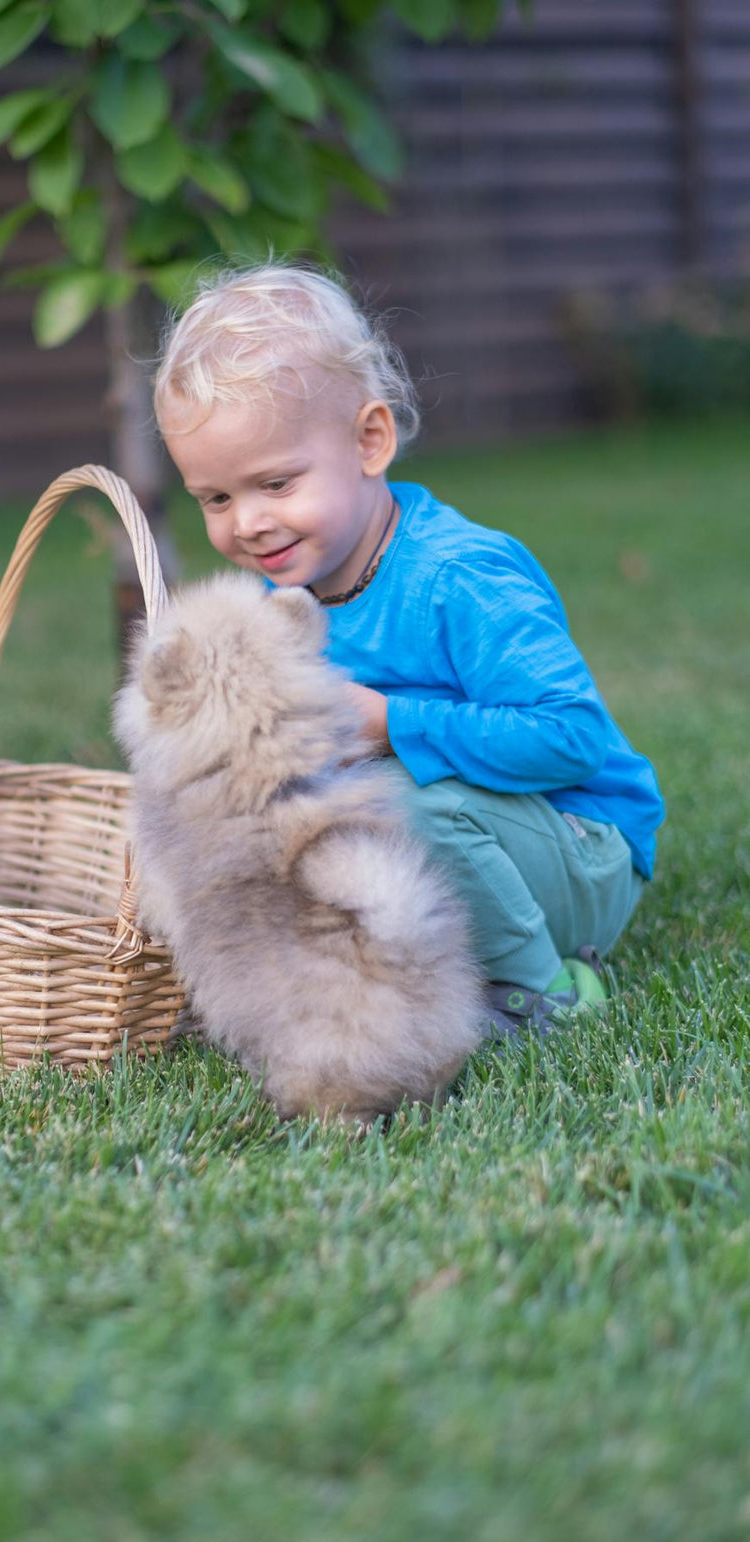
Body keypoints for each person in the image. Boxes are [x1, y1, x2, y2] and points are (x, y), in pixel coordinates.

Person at [151, 262, 664, 1037]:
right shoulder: (278, 595)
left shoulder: (460, 578)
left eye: (276, 484)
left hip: (576, 844)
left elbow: (573, 740)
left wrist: (391, 723)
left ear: (370, 440)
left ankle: (537, 989)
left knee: (405, 807)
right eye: (217, 499)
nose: (247, 523)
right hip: (457, 835)